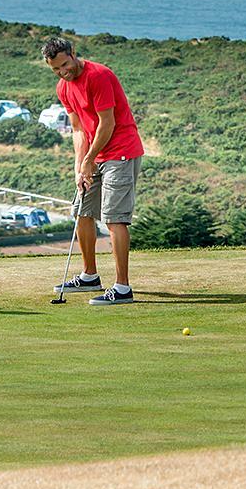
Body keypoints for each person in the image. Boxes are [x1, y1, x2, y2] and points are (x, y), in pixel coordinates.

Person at [43, 37, 145, 305]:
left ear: (73, 53)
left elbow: (106, 123)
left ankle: (122, 288)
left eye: (64, 65)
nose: (62, 72)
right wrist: (80, 166)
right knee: (81, 211)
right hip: (94, 155)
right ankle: (90, 276)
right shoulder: (63, 88)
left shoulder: (98, 76)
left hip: (121, 151)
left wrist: (89, 159)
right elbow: (78, 129)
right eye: (55, 69)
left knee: (114, 218)